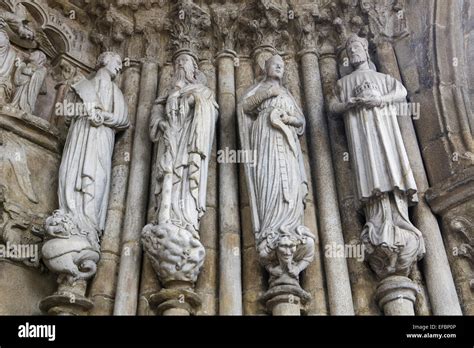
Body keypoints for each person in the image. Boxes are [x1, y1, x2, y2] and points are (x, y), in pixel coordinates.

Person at [331, 34, 425, 277]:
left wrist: (379, 100)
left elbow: (401, 91)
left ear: (365, 51)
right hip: (362, 138)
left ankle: (399, 220)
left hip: (386, 135)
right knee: (370, 176)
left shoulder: (382, 78)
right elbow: (332, 106)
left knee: (391, 171)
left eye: (357, 49)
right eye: (349, 51)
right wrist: (351, 103)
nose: (353, 53)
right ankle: (376, 223)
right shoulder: (345, 83)